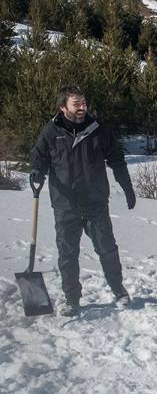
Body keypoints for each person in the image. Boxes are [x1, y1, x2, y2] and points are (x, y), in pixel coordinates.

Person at [30, 86, 135, 316]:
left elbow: (117, 159)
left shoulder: (98, 129)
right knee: (67, 254)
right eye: (76, 104)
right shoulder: (51, 132)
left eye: (84, 103)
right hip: (65, 204)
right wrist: (37, 171)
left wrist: (127, 186)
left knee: (107, 249)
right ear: (63, 107)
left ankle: (119, 291)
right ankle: (72, 299)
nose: (82, 108)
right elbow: (38, 157)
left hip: (95, 203)